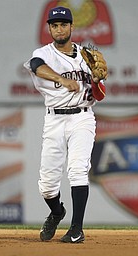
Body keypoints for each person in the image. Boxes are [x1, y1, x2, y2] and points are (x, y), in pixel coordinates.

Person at [24, 6, 106, 243]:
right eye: (54, 25)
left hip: (82, 116)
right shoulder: (43, 53)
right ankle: (57, 212)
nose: (59, 29)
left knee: (78, 169)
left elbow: (99, 95)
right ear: (49, 28)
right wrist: (61, 79)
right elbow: (37, 66)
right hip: (54, 119)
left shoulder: (87, 55)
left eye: (63, 24)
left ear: (72, 27)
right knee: (47, 186)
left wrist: (98, 80)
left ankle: (76, 230)